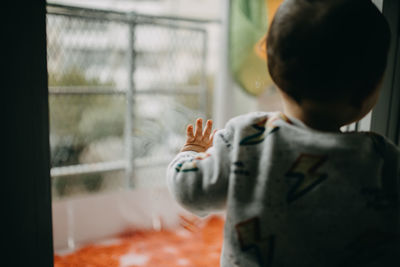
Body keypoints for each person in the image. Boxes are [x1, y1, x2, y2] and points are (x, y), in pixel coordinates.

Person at [167, 0, 400, 266]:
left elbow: (190, 190)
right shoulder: (383, 161)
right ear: (370, 91)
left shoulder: (246, 138)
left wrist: (191, 152)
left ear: (273, 71)